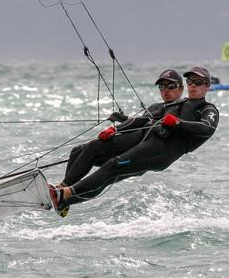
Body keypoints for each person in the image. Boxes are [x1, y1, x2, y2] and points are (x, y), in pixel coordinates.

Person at [49, 66, 219, 216]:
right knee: (89, 149)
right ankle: (61, 192)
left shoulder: (208, 109)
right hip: (150, 143)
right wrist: (116, 127)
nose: (193, 86)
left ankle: (64, 195)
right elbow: (143, 120)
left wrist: (177, 123)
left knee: (113, 166)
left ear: (207, 86)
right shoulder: (179, 103)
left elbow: (206, 128)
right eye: (190, 81)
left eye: (198, 82)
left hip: (164, 152)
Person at [57, 69, 186, 195]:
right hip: (131, 141)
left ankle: (63, 189)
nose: (166, 90)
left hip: (137, 151)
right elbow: (140, 122)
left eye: (171, 86)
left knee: (94, 147)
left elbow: (159, 128)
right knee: (77, 150)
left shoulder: (179, 108)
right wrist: (122, 119)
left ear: (181, 88)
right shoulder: (156, 106)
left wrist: (116, 129)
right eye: (162, 86)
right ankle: (65, 192)